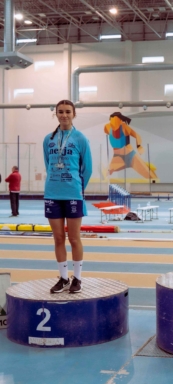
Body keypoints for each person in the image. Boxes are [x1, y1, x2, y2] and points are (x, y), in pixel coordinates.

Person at [43, 100, 92, 294]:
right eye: (60, 112)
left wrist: (77, 188)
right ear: (56, 114)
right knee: (57, 238)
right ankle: (63, 278)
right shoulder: (48, 139)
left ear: (74, 114)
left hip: (73, 193)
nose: (64, 115)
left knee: (74, 238)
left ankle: (77, 278)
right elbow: (48, 164)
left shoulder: (80, 138)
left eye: (67, 112)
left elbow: (87, 169)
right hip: (52, 193)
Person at [104, 112, 158, 180]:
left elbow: (137, 135)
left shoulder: (124, 127)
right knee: (106, 173)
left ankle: (146, 167)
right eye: (112, 121)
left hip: (130, 156)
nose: (114, 124)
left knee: (152, 178)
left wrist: (139, 146)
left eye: (116, 121)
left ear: (120, 121)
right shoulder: (107, 127)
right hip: (117, 157)